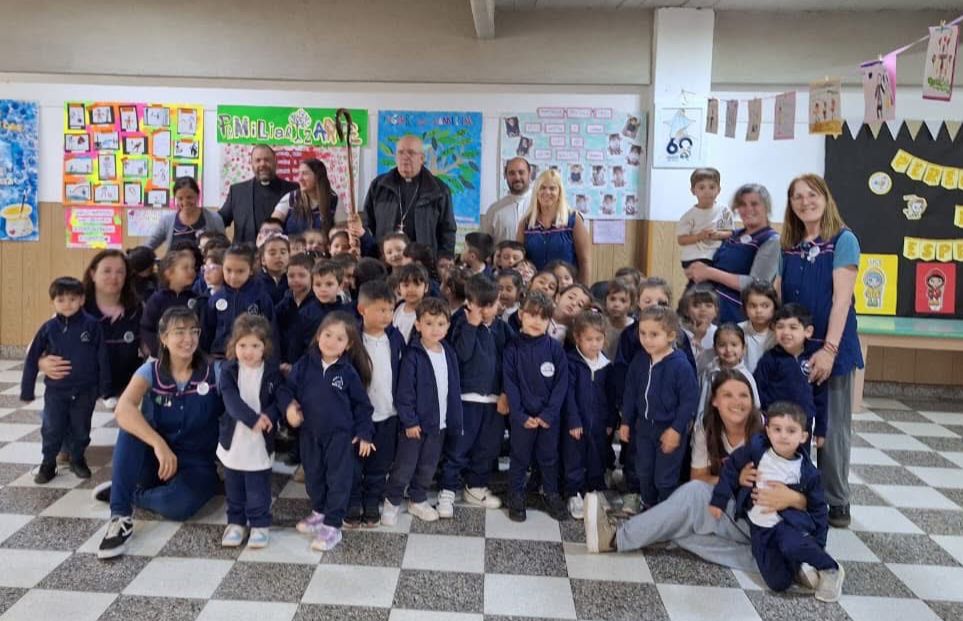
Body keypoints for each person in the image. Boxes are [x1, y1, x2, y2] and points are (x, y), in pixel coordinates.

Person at [585, 371, 808, 572]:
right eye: (727, 395)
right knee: (682, 530)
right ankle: (783, 563)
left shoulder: (773, 431)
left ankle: (616, 537)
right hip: (738, 512)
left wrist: (793, 497)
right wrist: (733, 481)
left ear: (753, 400)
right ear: (715, 401)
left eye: (743, 395)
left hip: (770, 520)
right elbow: (699, 476)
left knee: (692, 498)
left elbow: (810, 488)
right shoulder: (708, 427)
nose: (737, 402)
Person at [95, 307, 222, 559]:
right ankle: (120, 516)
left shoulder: (214, 371)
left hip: (197, 463)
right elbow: (123, 409)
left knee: (179, 505)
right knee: (130, 429)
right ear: (163, 338)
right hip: (156, 458)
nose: (188, 339)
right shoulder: (150, 371)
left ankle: (130, 492)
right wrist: (158, 444)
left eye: (193, 332)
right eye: (179, 332)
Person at [779, 173, 862, 528]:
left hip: (832, 348)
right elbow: (781, 295)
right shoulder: (789, 245)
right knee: (796, 426)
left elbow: (842, 301)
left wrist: (828, 349)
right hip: (797, 350)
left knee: (832, 428)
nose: (805, 202)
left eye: (811, 195)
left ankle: (836, 500)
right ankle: (801, 495)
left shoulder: (843, 240)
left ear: (825, 198)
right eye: (797, 197)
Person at [709, 401, 844, 602]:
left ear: (803, 436)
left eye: (791, 431)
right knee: (778, 583)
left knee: (791, 544)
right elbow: (731, 467)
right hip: (759, 528)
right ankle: (798, 566)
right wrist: (719, 499)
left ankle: (829, 568)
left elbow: (819, 510)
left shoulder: (807, 473)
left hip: (786, 525)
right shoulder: (756, 448)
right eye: (777, 429)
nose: (783, 435)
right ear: (768, 431)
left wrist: (818, 545)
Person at [286, 312, 374, 551]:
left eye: (339, 339)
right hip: (310, 434)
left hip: (340, 437)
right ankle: (320, 512)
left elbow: (363, 406)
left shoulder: (347, 372)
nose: (331, 342)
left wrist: (365, 433)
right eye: (327, 335)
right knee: (314, 476)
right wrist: (289, 406)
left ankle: (333, 525)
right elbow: (287, 391)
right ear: (318, 336)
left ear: (348, 345)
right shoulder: (304, 365)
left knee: (338, 479)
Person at [21, 277, 110, 483]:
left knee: (81, 428)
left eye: (72, 299)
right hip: (56, 391)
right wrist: (27, 390)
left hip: (85, 390)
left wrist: (105, 388)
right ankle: (48, 463)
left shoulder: (92, 326)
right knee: (52, 427)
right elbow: (33, 357)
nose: (67, 304)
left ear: (82, 300)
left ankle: (78, 459)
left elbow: (102, 357)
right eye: (60, 300)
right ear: (53, 302)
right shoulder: (48, 328)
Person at [383, 298, 463, 524]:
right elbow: (404, 393)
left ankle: (418, 499)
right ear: (417, 325)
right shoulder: (413, 355)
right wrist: (409, 421)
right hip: (415, 425)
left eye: (440, 323)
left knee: (428, 465)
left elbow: (453, 387)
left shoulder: (448, 352)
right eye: (428, 323)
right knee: (404, 466)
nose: (435, 329)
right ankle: (392, 501)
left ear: (448, 326)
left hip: (439, 425)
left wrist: (454, 419)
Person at [439, 275, 512, 516]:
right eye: (483, 306)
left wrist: (505, 393)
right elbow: (460, 355)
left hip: (493, 401)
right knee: (458, 448)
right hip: (465, 399)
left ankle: (475, 486)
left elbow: (511, 362)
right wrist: (471, 324)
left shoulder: (502, 327)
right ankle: (447, 490)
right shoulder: (459, 321)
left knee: (487, 448)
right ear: (470, 302)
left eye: (492, 305)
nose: (489, 311)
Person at [217, 315, 287, 549]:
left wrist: (270, 416)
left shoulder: (272, 371)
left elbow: (279, 399)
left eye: (255, 346)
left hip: (259, 440)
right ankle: (235, 522)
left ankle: (259, 523)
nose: (248, 352)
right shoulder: (228, 371)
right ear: (233, 345)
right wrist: (252, 418)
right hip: (235, 439)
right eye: (242, 345)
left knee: (258, 485)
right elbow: (231, 400)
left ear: (265, 346)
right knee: (234, 483)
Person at [620, 306, 698, 509]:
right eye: (643, 333)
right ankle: (648, 507)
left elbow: (689, 401)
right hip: (643, 428)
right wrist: (626, 421)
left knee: (664, 477)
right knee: (643, 471)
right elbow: (629, 393)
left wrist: (676, 429)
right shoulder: (639, 360)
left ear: (671, 335)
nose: (647, 339)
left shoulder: (681, 365)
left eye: (654, 334)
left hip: (669, 429)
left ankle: (666, 514)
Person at [503, 291, 569, 522]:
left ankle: (550, 493)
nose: (535, 321)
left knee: (549, 457)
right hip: (522, 418)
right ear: (521, 315)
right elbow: (510, 384)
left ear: (549, 321)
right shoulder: (512, 349)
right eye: (531, 315)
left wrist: (549, 414)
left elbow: (562, 384)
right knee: (519, 458)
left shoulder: (555, 349)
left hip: (548, 419)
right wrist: (520, 415)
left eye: (542, 317)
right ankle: (516, 495)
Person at [347, 281, 406, 527]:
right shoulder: (352, 339)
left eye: (390, 309)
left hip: (388, 414)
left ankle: (372, 501)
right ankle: (352, 501)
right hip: (358, 417)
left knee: (380, 464)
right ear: (362, 309)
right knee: (353, 464)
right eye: (380, 309)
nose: (386, 315)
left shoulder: (395, 337)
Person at [686, 183, 780, 323]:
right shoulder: (734, 235)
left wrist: (709, 273)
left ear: (766, 207)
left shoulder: (771, 241)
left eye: (754, 204)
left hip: (734, 315)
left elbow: (756, 284)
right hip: (706, 309)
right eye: (742, 204)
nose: (748, 209)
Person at [361, 135, 457, 257]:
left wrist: (445, 258)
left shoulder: (439, 190)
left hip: (422, 264)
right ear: (395, 157)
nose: (405, 157)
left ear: (422, 158)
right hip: (385, 261)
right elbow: (367, 223)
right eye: (400, 153)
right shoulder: (379, 186)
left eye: (411, 153)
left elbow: (447, 231)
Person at [562, 311, 617, 519]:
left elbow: (611, 396)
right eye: (589, 339)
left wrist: (612, 420)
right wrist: (573, 420)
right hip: (577, 423)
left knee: (597, 456)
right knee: (574, 458)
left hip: (600, 423)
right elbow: (568, 395)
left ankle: (592, 491)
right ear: (577, 338)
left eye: (598, 339)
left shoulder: (606, 366)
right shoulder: (571, 362)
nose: (594, 344)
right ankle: (574, 493)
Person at [754, 303, 828, 455]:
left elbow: (821, 396)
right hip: (775, 423)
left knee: (801, 460)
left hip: (803, 423)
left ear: (808, 331)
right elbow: (758, 392)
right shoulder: (769, 359)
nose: (786, 332)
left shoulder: (813, 360)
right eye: (780, 327)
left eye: (793, 327)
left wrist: (821, 428)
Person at [81, 250, 143, 402]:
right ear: (92, 274)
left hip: (127, 390)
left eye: (120, 272)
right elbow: (36, 349)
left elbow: (151, 348)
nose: (114, 277)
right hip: (85, 391)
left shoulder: (137, 309)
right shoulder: (76, 309)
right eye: (107, 271)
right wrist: (44, 363)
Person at [202, 244, 278, 362]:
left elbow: (271, 331)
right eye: (228, 270)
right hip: (220, 358)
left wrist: (271, 361)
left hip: (252, 358)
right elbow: (207, 331)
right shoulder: (216, 298)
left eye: (240, 271)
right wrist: (205, 357)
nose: (233, 276)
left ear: (251, 270)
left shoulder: (260, 297)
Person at [517, 169, 592, 282]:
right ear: (536, 192)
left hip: (566, 290)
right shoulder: (526, 223)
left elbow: (585, 261)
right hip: (536, 290)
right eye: (542, 187)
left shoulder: (573, 220)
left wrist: (582, 291)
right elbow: (519, 260)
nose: (547, 192)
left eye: (552, 188)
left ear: (559, 193)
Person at [219, 145, 298, 244]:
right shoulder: (237, 192)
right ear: (251, 164)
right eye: (258, 160)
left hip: (281, 255)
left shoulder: (293, 191)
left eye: (267, 160)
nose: (262, 164)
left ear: (275, 161)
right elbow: (219, 221)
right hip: (246, 256)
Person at [141, 248, 201, 358]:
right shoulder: (157, 299)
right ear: (169, 273)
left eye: (192, 267)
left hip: (189, 355)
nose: (191, 271)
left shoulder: (195, 299)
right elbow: (147, 327)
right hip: (161, 356)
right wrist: (160, 351)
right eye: (185, 268)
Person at [676, 168, 733, 271]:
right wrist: (699, 236)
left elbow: (731, 233)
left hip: (718, 255)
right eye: (702, 188)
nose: (707, 191)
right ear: (693, 191)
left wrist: (719, 235)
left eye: (712, 187)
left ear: (718, 190)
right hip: (694, 257)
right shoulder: (688, 216)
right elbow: (681, 240)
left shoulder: (724, 211)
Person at [146, 177, 225, 251]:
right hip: (174, 265)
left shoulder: (214, 219)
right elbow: (149, 246)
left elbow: (223, 248)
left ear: (198, 196)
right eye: (180, 198)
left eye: (189, 197)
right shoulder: (167, 221)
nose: (185, 202)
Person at [270, 158, 338, 236]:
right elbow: (272, 226)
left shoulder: (334, 201)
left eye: (305, 174)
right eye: (299, 174)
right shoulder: (290, 199)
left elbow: (341, 234)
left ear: (318, 176)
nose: (300, 179)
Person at [482, 157, 533, 244]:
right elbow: (484, 245)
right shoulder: (494, 210)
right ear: (505, 176)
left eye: (521, 172)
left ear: (529, 174)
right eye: (512, 173)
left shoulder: (540, 205)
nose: (517, 177)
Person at [739, 280, 778, 373]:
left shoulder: (779, 335)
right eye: (753, 306)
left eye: (765, 306)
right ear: (745, 308)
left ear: (775, 307)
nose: (758, 311)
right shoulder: (738, 331)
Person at [392, 263, 430, 344]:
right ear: (399, 288)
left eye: (417, 285)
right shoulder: (396, 308)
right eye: (406, 285)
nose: (411, 290)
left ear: (426, 287)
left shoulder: (428, 314)